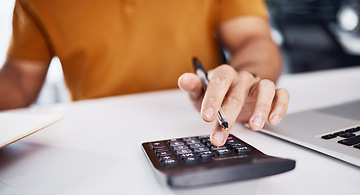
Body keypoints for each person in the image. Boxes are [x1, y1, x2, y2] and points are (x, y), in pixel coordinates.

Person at [0, 0, 289, 146]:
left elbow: (255, 41)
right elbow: (20, 76)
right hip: (94, 140)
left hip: (191, 127)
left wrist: (241, 82)